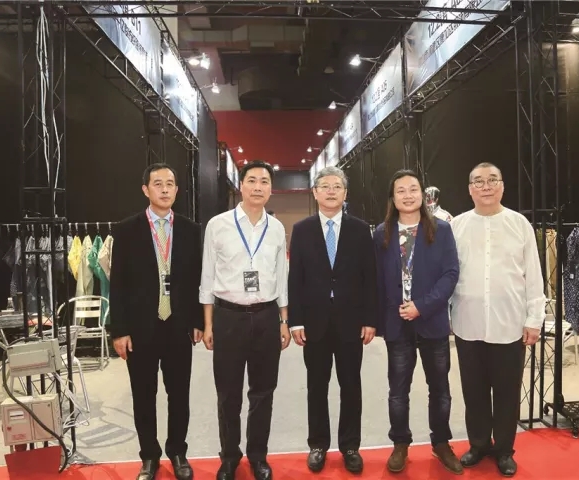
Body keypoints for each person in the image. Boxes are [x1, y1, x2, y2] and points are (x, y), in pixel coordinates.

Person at [450, 162, 546, 478]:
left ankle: (504, 449)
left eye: (492, 180)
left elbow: (534, 275)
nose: (486, 186)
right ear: (470, 189)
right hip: (468, 323)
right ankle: (478, 444)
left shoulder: (519, 224)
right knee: (474, 391)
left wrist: (535, 319)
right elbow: (447, 274)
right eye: (478, 181)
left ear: (502, 186)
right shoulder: (457, 226)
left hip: (510, 324)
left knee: (507, 393)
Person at [108, 163, 204, 480]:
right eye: (158, 183)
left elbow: (195, 280)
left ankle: (177, 452)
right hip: (140, 329)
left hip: (178, 327)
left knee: (179, 395)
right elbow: (117, 284)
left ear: (177, 190)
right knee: (143, 396)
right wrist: (119, 330)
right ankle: (149, 456)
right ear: (145, 189)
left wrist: (197, 320)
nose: (164, 189)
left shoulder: (190, 229)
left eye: (170, 183)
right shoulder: (126, 230)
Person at [199, 160, 291, 480]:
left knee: (263, 391)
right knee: (228, 393)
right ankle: (229, 457)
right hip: (228, 317)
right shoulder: (218, 225)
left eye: (264, 181)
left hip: (266, 316)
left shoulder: (276, 228)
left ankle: (258, 455)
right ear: (241, 185)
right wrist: (208, 324)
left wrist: (283, 320)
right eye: (252, 180)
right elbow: (207, 276)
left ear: (271, 189)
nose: (257, 187)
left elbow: (281, 277)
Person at [287, 166, 377, 474]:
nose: (330, 191)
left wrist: (370, 319)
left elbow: (369, 278)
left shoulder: (360, 230)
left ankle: (350, 446)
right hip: (314, 324)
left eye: (336, 186)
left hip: (351, 323)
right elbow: (295, 279)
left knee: (351, 385)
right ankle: (318, 445)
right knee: (317, 386)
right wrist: (295, 321)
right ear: (315, 192)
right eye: (324, 186)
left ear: (345, 193)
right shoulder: (302, 230)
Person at [373, 170, 461, 475]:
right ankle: (400, 443)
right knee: (398, 391)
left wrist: (421, 307)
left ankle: (441, 443)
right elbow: (376, 280)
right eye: (401, 190)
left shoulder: (441, 229)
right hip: (397, 324)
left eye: (413, 189)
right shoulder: (381, 234)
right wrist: (378, 322)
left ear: (423, 195)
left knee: (440, 389)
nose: (408, 195)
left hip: (432, 321)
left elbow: (451, 273)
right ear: (392, 197)